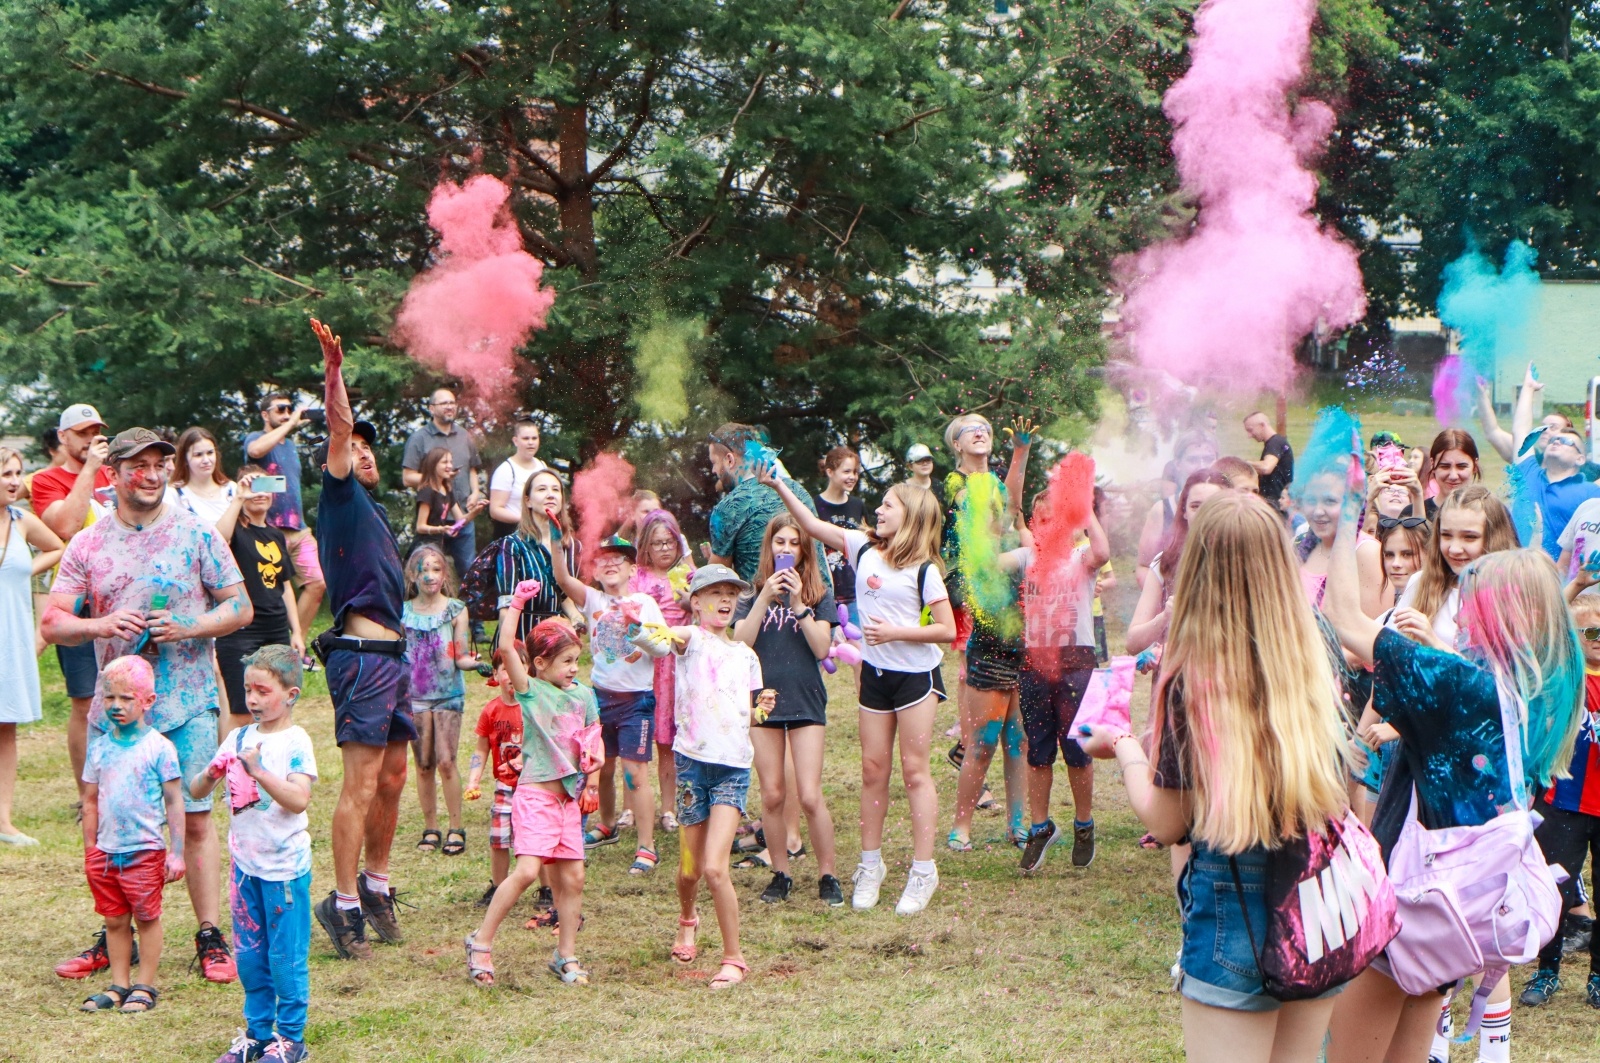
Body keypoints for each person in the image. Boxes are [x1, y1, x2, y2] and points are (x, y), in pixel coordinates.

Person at [1080, 492, 1355, 1061]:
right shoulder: (1318, 642)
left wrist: (1127, 747)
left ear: (1199, 566)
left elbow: (1167, 820)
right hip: (1317, 892)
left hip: (1235, 895)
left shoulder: (1197, 670)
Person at [1323, 504, 1584, 1063]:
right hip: (1461, 913)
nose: (1460, 612)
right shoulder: (1536, 689)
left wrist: (1348, 517)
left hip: (1410, 910)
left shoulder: (1458, 687)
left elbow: (1342, 616)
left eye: (1470, 600)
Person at [43, 426, 251, 985]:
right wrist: (101, 623)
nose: (153, 474)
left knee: (197, 823)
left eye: (160, 464)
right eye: (139, 465)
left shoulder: (195, 533)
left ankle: (210, 935)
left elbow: (240, 607)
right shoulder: (89, 543)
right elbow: (54, 620)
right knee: (116, 825)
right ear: (114, 475)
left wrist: (189, 626)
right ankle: (118, 933)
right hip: (119, 717)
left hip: (188, 703)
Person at [759, 465, 957, 915]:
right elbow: (810, 524)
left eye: (889, 504)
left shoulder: (925, 570)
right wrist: (779, 485)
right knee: (872, 771)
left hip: (916, 680)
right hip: (875, 677)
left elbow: (946, 630)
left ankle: (923, 869)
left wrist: (899, 632)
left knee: (914, 772)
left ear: (910, 518)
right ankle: (871, 865)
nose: (879, 509)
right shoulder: (860, 546)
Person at [305, 319, 411, 962]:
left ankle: (375, 885)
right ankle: (341, 902)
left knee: (395, 777)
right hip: (363, 658)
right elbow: (340, 429)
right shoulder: (340, 496)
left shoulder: (374, 513)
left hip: (395, 659)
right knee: (362, 783)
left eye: (373, 449)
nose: (364, 453)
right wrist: (335, 371)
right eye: (356, 447)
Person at [190, 646, 317, 1063]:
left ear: (291, 694)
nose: (253, 699)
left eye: (263, 691)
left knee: (284, 958)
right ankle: (257, 1033)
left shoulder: (295, 741)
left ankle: (290, 1039)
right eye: (248, 690)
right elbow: (196, 790)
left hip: (284, 870)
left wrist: (258, 772)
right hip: (245, 868)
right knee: (249, 956)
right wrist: (211, 773)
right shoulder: (238, 737)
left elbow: (299, 799)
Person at [650, 564, 772, 989]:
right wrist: (653, 632)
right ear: (695, 602)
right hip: (691, 765)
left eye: (731, 593)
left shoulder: (746, 656)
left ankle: (734, 959)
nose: (725, 600)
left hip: (732, 769)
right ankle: (688, 918)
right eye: (714, 592)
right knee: (689, 869)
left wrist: (760, 711)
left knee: (715, 868)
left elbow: (745, 715)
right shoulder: (692, 640)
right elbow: (666, 637)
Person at [464, 611, 601, 988]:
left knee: (572, 878)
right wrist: (516, 606)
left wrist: (593, 780)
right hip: (536, 797)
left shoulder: (584, 696)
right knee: (526, 871)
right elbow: (506, 646)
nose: (575, 668)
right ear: (540, 664)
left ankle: (565, 955)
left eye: (577, 660)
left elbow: (593, 739)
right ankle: (480, 943)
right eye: (567, 661)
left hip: (567, 803)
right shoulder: (531, 691)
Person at [732, 513, 842, 905]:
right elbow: (740, 643)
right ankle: (781, 873)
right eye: (780, 542)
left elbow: (821, 648)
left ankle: (828, 875)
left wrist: (797, 603)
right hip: (762, 701)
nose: (786, 549)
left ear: (804, 550)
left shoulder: (817, 593)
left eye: (794, 543)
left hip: (805, 699)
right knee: (773, 793)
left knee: (809, 795)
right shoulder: (750, 595)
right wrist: (764, 596)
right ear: (770, 547)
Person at [549, 532, 667, 872]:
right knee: (603, 767)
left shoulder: (646, 603)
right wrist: (558, 544)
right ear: (595, 573)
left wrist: (638, 630)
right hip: (600, 699)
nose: (611, 563)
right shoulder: (593, 601)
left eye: (619, 558)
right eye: (602, 560)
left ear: (633, 569)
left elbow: (662, 649)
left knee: (636, 775)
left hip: (637, 702)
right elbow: (561, 578)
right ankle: (606, 824)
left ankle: (646, 846)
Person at [1008, 482, 1111, 873]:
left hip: (1076, 664)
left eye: (1055, 517)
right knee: (1037, 751)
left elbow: (1102, 551)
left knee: (1077, 751)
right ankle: (1040, 826)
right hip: (1034, 664)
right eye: (1041, 518)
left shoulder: (1080, 558)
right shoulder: (1027, 559)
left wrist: (1084, 511)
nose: (1046, 524)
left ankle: (1083, 824)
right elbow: (1010, 515)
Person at [75, 656, 187, 1015]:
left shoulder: (159, 749)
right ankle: (119, 984)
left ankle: (145, 984)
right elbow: (90, 801)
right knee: (114, 919)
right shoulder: (100, 747)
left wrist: (177, 852)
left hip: (144, 850)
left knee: (146, 916)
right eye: (110, 698)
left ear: (147, 701)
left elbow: (174, 802)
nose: (116, 706)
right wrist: (91, 849)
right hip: (106, 852)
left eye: (126, 698)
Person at [1517, 587, 1600, 1011]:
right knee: (1553, 890)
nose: (1598, 637)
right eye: (1589, 630)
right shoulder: (1562, 675)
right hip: (1563, 801)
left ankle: (1598, 976)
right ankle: (1546, 970)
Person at [30, 402, 114, 808]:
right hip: (77, 604)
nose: (90, 439)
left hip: (120, 599)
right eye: (81, 433)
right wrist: (88, 471)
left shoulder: (114, 474)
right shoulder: (45, 480)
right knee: (85, 700)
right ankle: (87, 797)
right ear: (63, 437)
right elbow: (63, 526)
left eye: (95, 431)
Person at [0, 447, 65, 845]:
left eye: (17, 473)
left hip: (10, 634)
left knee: (5, 727)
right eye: (5, 472)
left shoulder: (23, 521)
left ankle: (2, 821)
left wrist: (23, 568)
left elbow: (58, 546)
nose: (14, 480)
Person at [214, 469, 306, 736]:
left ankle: (267, 769)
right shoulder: (236, 532)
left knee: (276, 703)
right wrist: (239, 498)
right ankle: (230, 772)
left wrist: (297, 632)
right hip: (241, 630)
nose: (260, 492)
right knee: (243, 711)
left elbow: (285, 584)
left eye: (265, 485)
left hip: (275, 628)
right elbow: (219, 540)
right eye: (254, 485)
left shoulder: (276, 535)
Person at [402, 544, 477, 857]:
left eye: (435, 569)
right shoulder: (402, 612)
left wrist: (477, 663)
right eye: (423, 569)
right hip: (414, 697)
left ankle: (455, 827)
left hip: (448, 694)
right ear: (412, 574)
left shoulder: (456, 610)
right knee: (423, 763)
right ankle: (430, 827)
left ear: (445, 573)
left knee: (447, 761)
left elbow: (460, 656)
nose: (429, 575)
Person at [243, 392, 325, 662]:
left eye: (290, 409)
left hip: (298, 528)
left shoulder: (290, 445)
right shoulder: (255, 438)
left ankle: (294, 645)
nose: (288, 413)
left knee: (317, 582)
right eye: (281, 409)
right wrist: (291, 424)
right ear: (265, 415)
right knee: (270, 591)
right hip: (267, 529)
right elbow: (255, 454)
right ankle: (267, 647)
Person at [629, 507, 694, 831]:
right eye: (657, 543)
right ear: (646, 547)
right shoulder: (636, 577)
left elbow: (704, 615)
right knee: (636, 738)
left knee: (669, 740)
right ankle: (633, 806)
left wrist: (689, 603)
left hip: (678, 668)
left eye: (669, 541)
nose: (665, 548)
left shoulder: (687, 574)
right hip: (645, 667)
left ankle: (669, 808)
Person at [1392, 485, 1519, 650]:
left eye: (1469, 537)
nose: (1454, 549)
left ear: (1493, 537)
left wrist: (1434, 642)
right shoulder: (1420, 582)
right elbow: (1390, 646)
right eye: (1446, 535)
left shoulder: (1513, 593)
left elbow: (1500, 672)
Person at [1126, 468, 1230, 656]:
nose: (1204, 514)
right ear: (1184, 511)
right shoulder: (1165, 561)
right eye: (1196, 506)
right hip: (1174, 680)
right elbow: (1132, 643)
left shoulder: (1243, 560)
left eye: (1213, 506)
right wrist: (1165, 617)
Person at [705, 423, 819, 581]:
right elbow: (823, 565)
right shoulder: (799, 491)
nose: (713, 471)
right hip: (818, 602)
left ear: (729, 460)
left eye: (714, 462)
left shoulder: (729, 507)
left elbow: (717, 580)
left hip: (765, 603)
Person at [402, 389, 484, 588]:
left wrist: (475, 492)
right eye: (444, 403)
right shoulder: (419, 438)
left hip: (460, 516)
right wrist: (437, 478)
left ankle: (473, 619)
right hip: (433, 520)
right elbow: (407, 477)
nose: (450, 406)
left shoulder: (465, 436)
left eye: (453, 402)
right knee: (429, 573)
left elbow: (473, 469)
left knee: (468, 570)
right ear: (432, 409)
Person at [463, 649, 523, 908]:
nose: (511, 675)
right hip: (504, 786)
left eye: (519, 667)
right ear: (495, 675)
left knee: (531, 841)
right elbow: (481, 748)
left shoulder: (532, 707)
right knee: (499, 839)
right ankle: (498, 886)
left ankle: (545, 889)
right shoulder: (491, 711)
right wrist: (473, 780)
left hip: (533, 787)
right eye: (506, 669)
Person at [493, 469, 577, 644]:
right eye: (542, 489)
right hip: (522, 636)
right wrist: (510, 652)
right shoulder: (512, 545)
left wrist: (576, 618)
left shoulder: (572, 546)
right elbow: (506, 605)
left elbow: (565, 595)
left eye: (556, 490)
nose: (550, 495)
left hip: (556, 641)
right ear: (528, 500)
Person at [1137, 431, 1220, 581]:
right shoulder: (1162, 510)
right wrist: (1162, 599)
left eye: (1208, 459)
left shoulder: (1231, 506)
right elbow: (1144, 567)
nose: (1201, 466)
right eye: (1192, 460)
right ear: (1178, 464)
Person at [1513, 422, 1600, 560]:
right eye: (1553, 440)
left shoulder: (1591, 492)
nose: (1557, 441)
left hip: (1556, 577)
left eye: (1566, 441)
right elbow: (1520, 430)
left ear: (1580, 459)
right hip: (1512, 570)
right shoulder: (1529, 472)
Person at [815, 446, 866, 633]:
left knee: (858, 650)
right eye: (846, 471)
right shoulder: (815, 506)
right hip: (824, 592)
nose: (852, 476)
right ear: (830, 472)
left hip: (854, 592)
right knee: (823, 652)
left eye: (855, 472)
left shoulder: (857, 505)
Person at [413, 447, 488, 558]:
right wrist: (441, 529)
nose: (449, 466)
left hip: (438, 546)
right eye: (444, 462)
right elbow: (420, 527)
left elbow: (460, 520)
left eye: (450, 462)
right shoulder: (427, 491)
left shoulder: (447, 489)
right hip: (423, 548)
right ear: (433, 465)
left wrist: (476, 511)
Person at [487, 419, 547, 540]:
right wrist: (525, 520)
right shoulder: (506, 470)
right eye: (526, 439)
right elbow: (495, 510)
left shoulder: (542, 466)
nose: (531, 443)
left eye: (534, 438)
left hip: (539, 532)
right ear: (516, 441)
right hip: (511, 534)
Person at [168, 428, 237, 529]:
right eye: (198, 455)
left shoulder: (232, 489)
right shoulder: (174, 494)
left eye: (210, 453)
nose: (206, 460)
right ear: (185, 459)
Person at [1244, 410, 1294, 512]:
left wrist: (1244, 464)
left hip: (1276, 506)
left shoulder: (1275, 442)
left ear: (1262, 425)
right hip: (1277, 504)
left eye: (1250, 430)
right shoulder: (1276, 442)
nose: (1249, 436)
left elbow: (1266, 467)